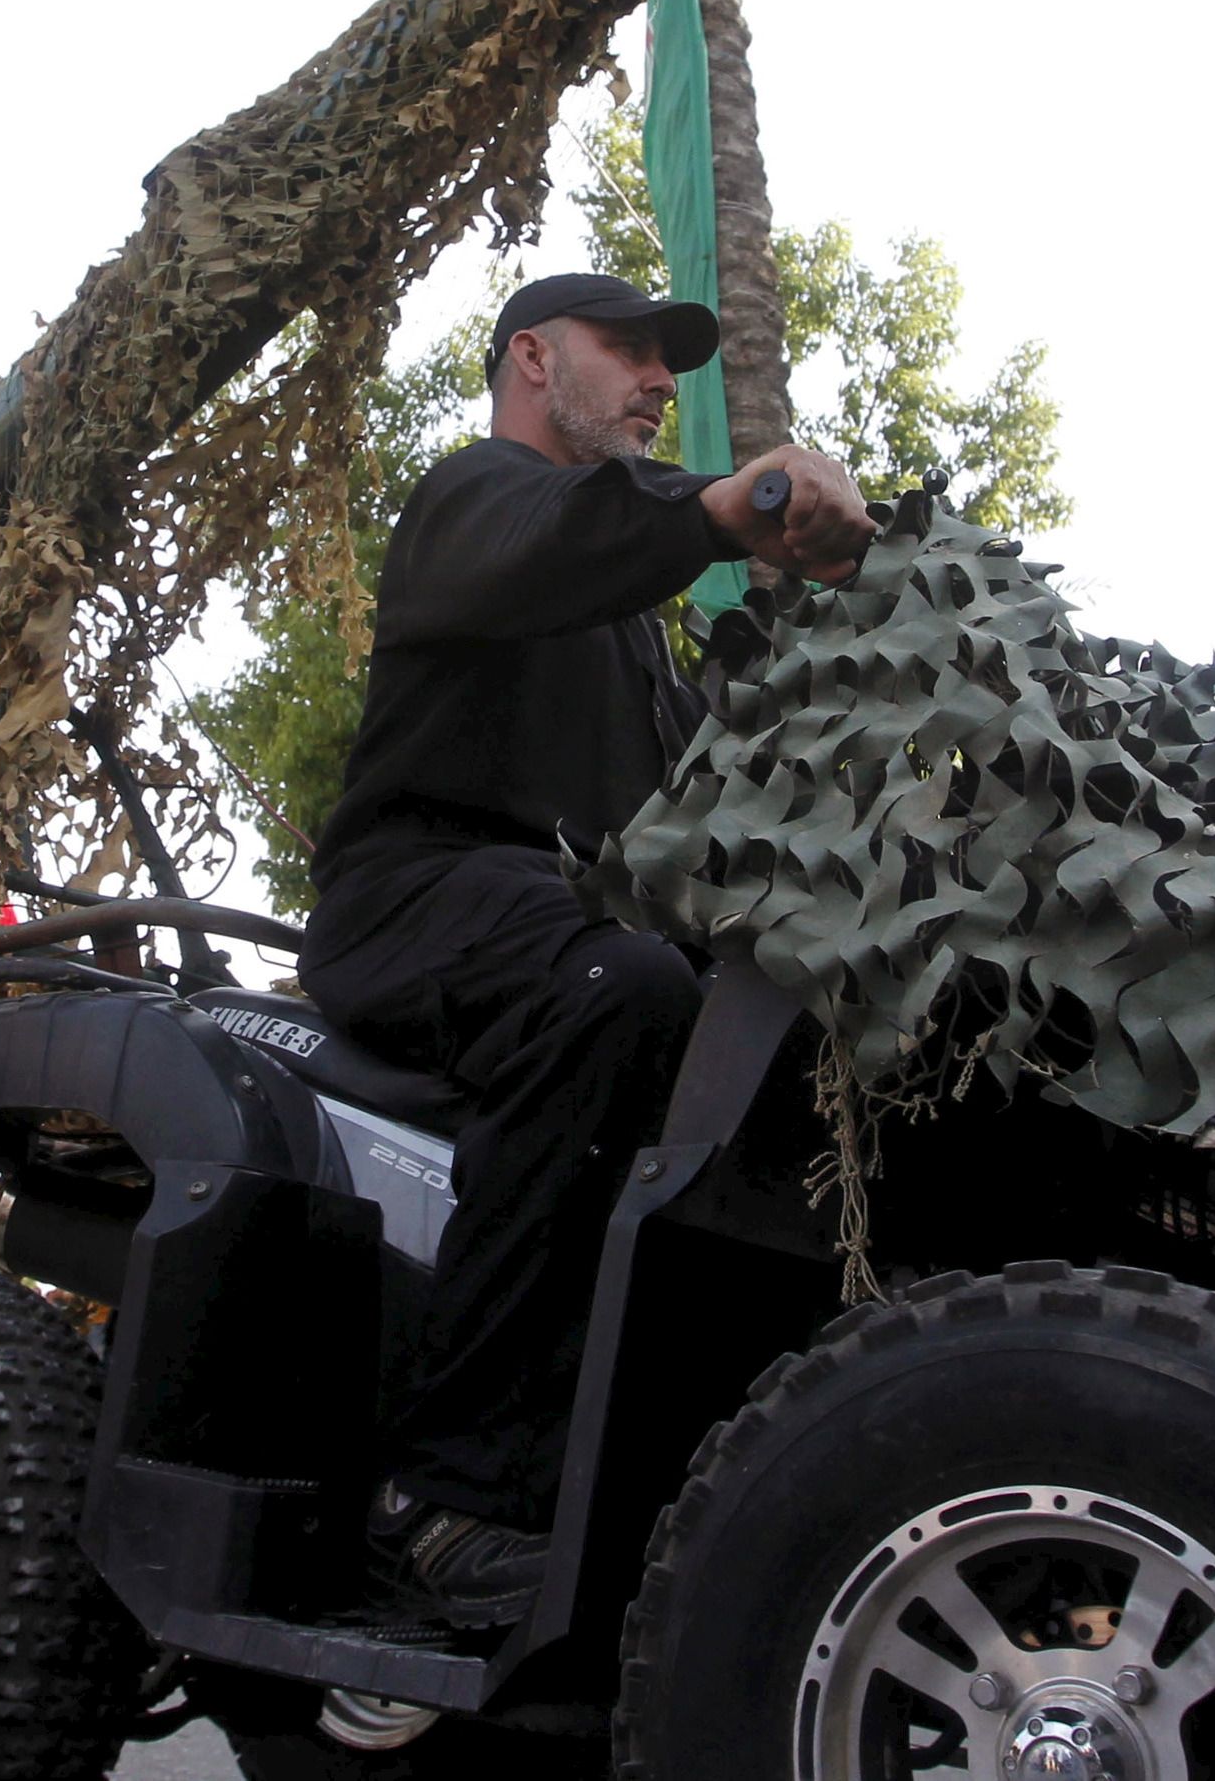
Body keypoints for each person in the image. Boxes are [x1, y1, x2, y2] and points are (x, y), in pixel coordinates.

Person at [301, 272, 874, 1627]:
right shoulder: (472, 499)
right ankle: (441, 1498)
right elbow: (561, 539)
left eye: (667, 365)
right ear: (532, 360)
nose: (657, 383)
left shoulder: (634, 621)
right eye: (627, 353)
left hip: (563, 918)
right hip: (421, 894)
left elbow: (711, 793)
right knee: (624, 990)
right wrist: (738, 500)